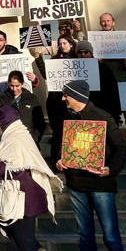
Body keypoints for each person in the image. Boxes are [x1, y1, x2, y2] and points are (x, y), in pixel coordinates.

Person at [55, 80, 126, 251]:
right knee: (85, 236)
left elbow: (120, 148)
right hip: (76, 185)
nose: (63, 98)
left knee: (111, 237)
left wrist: (110, 169)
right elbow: (59, 145)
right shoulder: (65, 118)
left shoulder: (103, 117)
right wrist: (59, 160)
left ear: (77, 97)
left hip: (101, 186)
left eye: (66, 95)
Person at [0, 106, 61, 251]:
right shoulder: (18, 134)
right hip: (24, 198)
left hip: (22, 201)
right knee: (22, 243)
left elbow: (14, 169)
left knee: (24, 246)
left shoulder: (15, 139)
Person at [98, 13, 126, 152]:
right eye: (103, 21)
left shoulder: (124, 38)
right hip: (106, 83)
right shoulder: (97, 40)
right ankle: (113, 143)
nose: (106, 23)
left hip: (124, 80)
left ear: (113, 22)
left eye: (108, 20)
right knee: (110, 113)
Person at [36, 35, 77, 164]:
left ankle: (72, 160)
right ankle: (56, 161)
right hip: (55, 102)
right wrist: (38, 59)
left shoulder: (79, 60)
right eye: (60, 43)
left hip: (73, 103)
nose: (62, 45)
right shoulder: (54, 60)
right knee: (58, 133)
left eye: (65, 43)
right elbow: (46, 75)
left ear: (71, 44)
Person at [0, 71, 46, 147]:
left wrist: (35, 138)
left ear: (22, 84)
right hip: (9, 143)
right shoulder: (1, 99)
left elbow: (40, 121)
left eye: (17, 86)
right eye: (11, 86)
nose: (14, 89)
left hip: (30, 143)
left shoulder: (31, 98)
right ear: (8, 83)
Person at [75, 41, 122, 124]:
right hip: (82, 110)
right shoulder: (73, 70)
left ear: (91, 53)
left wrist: (116, 111)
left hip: (103, 108)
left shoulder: (103, 68)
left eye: (86, 52)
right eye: (80, 52)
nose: (83, 55)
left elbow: (113, 90)